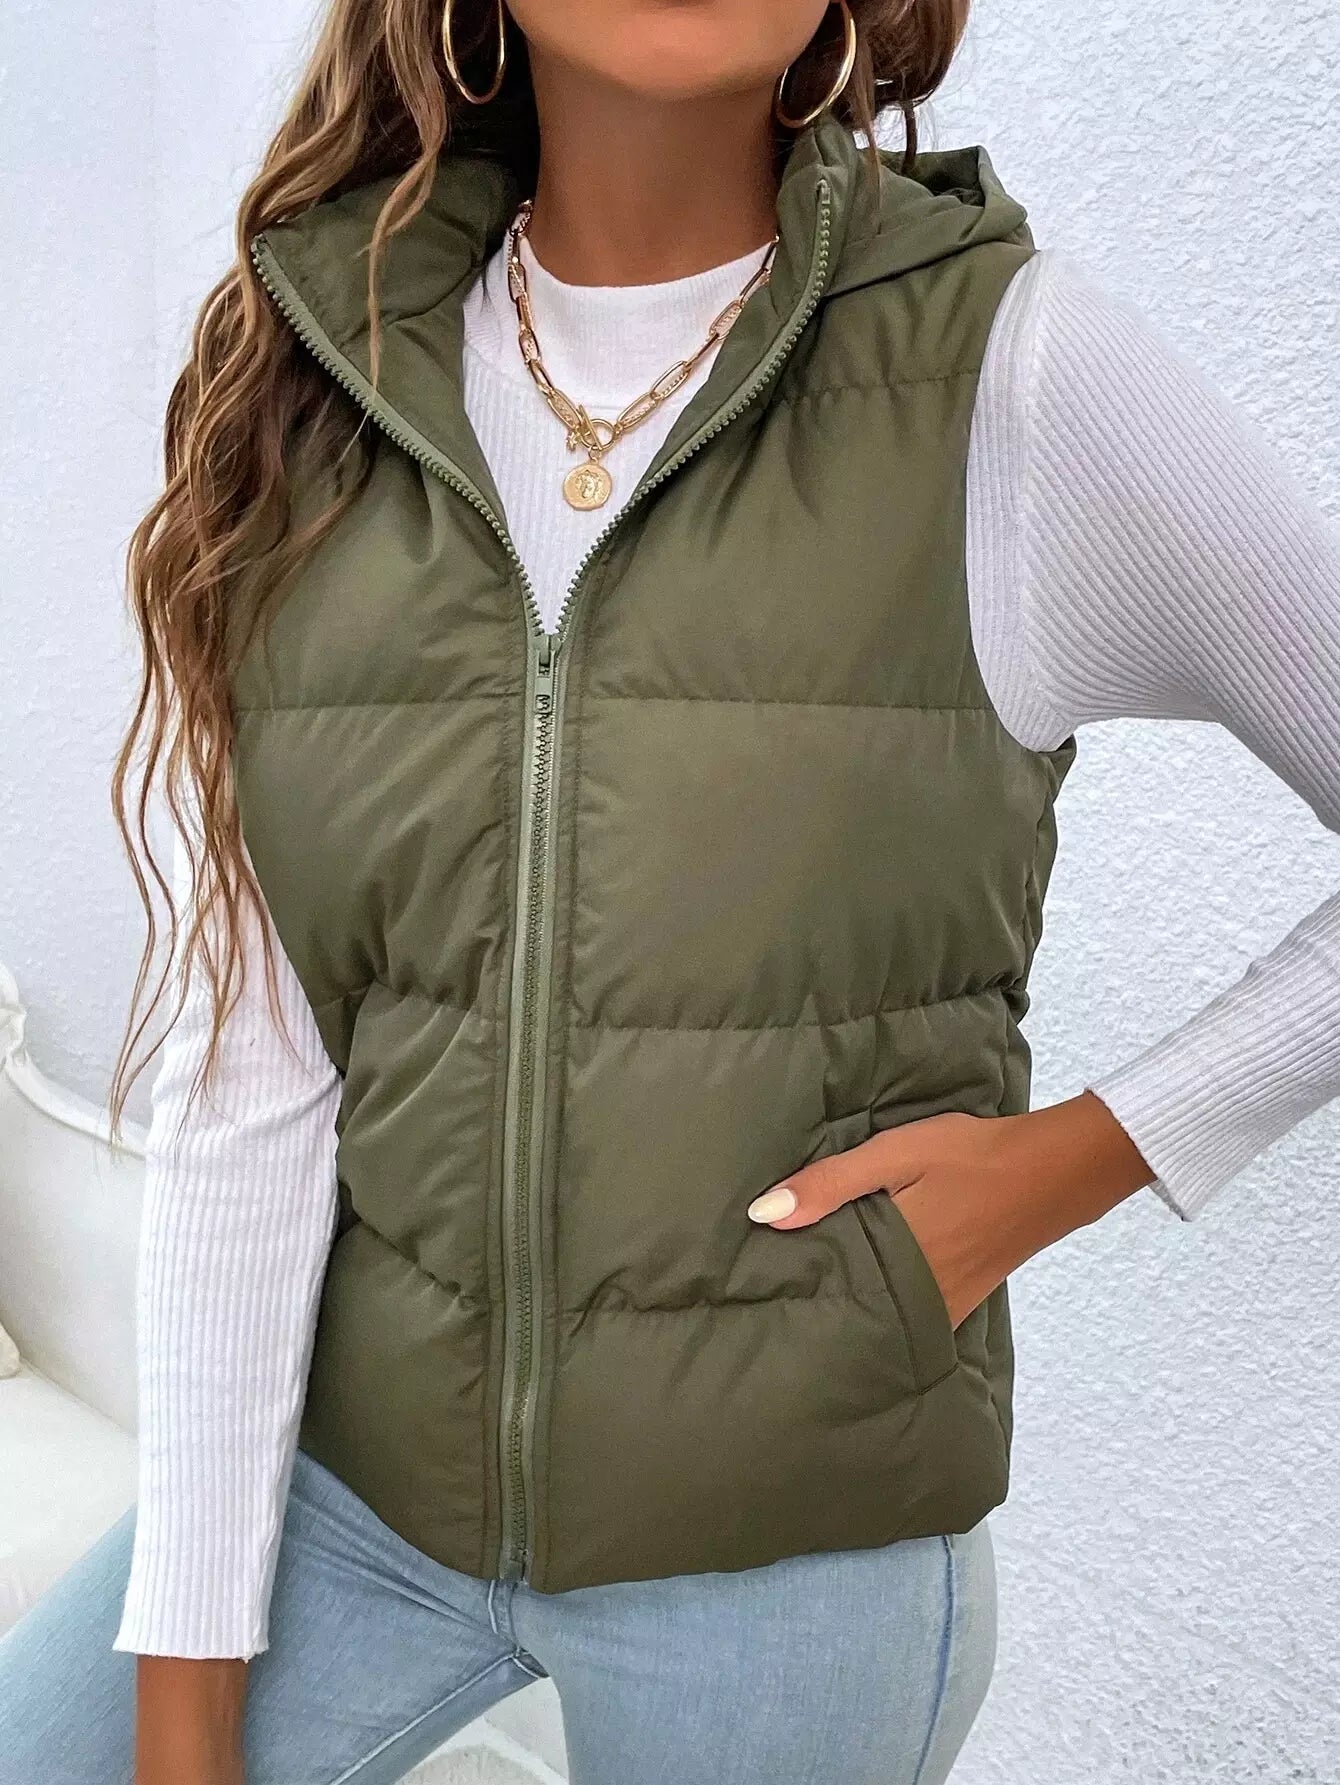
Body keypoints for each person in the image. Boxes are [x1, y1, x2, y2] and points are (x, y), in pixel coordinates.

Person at [2, 2, 1337, 1782]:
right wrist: (185, 1697)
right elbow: (260, 1079)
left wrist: (1074, 1159)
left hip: (789, 1553)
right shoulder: (326, 374)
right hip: (359, 1491)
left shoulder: (1001, 369)